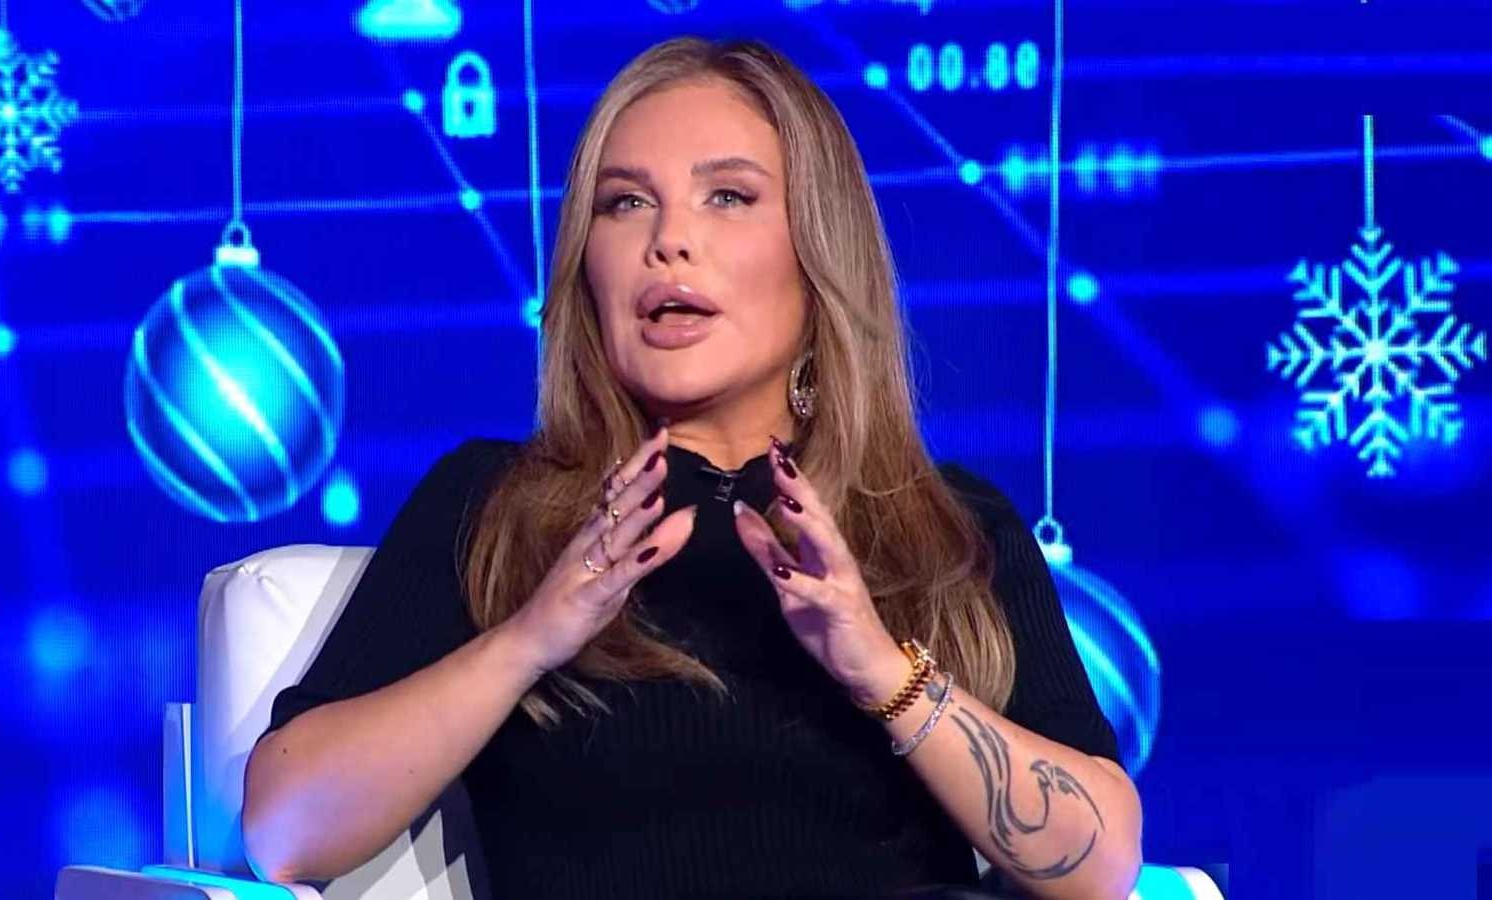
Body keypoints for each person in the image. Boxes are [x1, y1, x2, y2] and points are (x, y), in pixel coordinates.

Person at [242, 36, 1142, 900]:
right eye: (626, 203)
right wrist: (532, 638)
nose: (669, 240)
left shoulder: (946, 527)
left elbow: (1101, 869)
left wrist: (878, 667)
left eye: (728, 197)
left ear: (818, 251)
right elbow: (285, 828)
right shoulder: (499, 508)